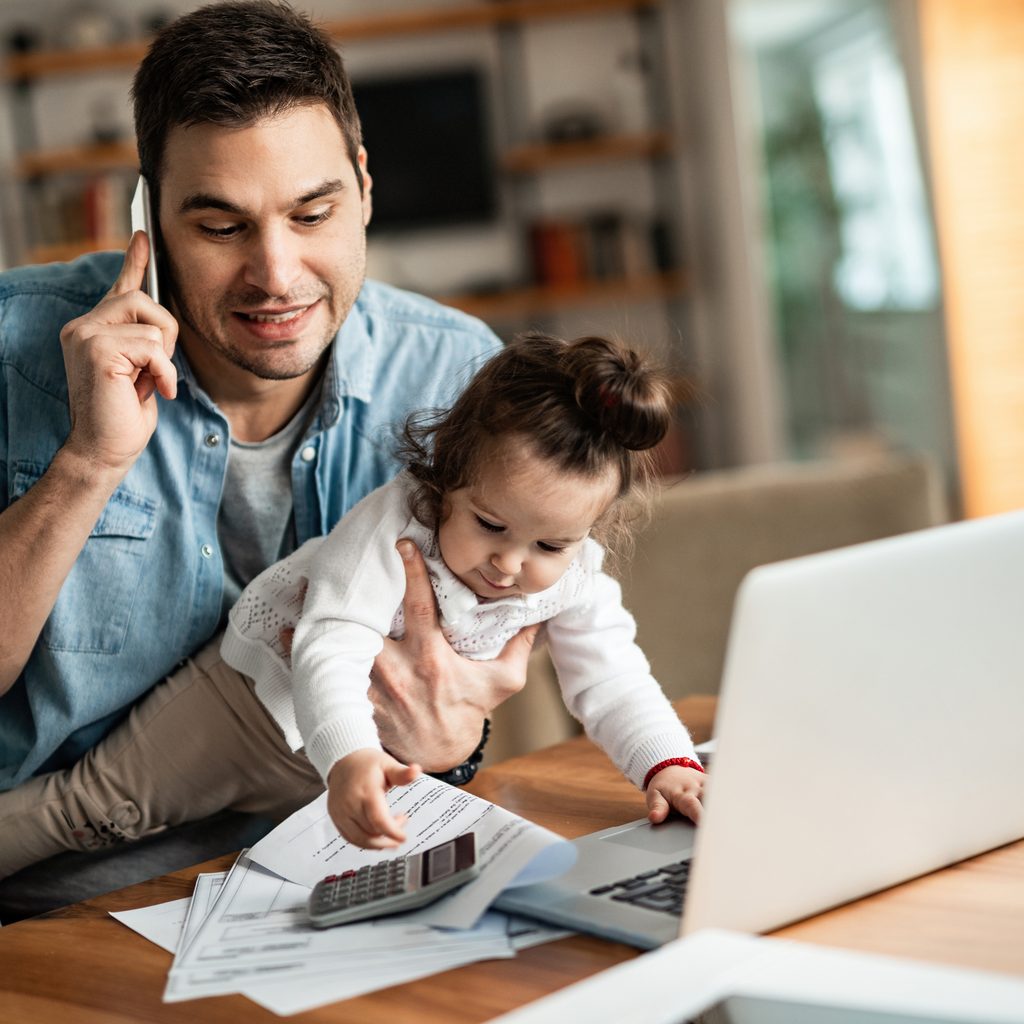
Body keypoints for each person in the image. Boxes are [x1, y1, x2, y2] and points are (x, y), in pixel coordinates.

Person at [0, 1, 534, 911]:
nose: (277, 274)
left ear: (364, 187)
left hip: (347, 876)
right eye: (220, 227)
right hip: (60, 905)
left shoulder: (458, 376)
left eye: (313, 212)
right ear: (149, 217)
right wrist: (89, 463)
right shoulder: (15, 347)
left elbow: (460, 679)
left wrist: (457, 738)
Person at [0, 332, 704, 873]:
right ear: (447, 479)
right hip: (249, 706)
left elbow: (612, 678)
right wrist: (350, 760)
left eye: (551, 546)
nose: (511, 565)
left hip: (342, 763)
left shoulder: (576, 574)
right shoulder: (397, 523)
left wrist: (669, 765)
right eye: (491, 526)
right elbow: (329, 643)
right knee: (96, 810)